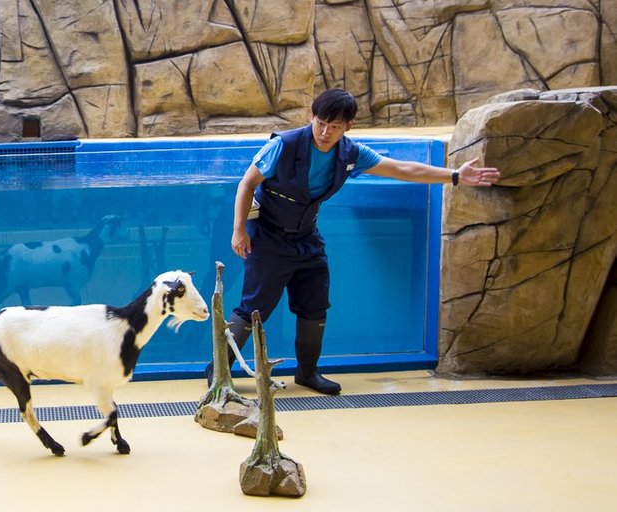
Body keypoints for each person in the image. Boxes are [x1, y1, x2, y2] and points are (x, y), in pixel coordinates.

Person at [206, 88, 501, 395]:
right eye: (321, 123)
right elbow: (247, 184)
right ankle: (219, 371)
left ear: (348, 126)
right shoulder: (284, 144)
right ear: (312, 117)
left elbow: (401, 168)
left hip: (307, 238)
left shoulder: (351, 153)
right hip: (269, 236)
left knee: (315, 305)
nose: (325, 132)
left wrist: (455, 176)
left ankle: (308, 373)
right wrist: (238, 230)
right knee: (254, 306)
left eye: (334, 127)